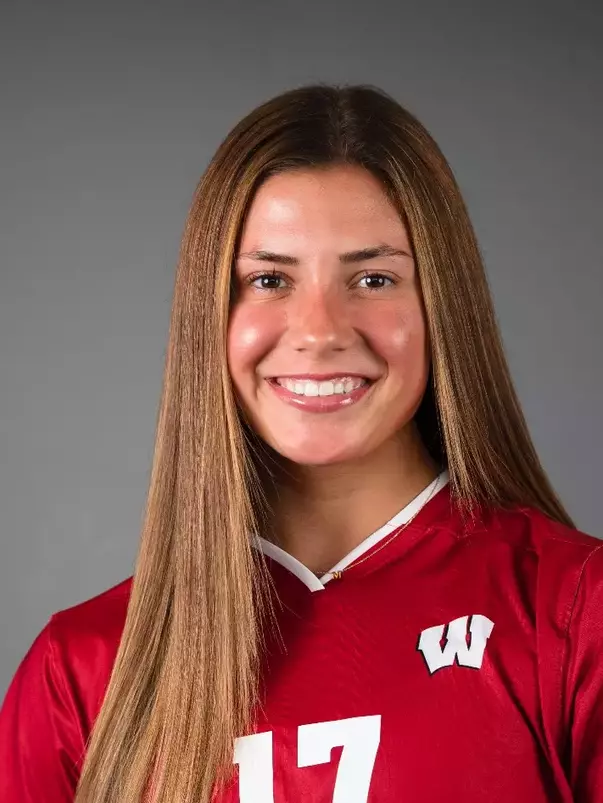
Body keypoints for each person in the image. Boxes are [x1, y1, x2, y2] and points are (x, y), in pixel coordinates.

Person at [0, 83, 601, 803]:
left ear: (444, 305)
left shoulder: (573, 613)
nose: (319, 331)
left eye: (373, 278)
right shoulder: (81, 669)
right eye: (268, 279)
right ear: (209, 314)